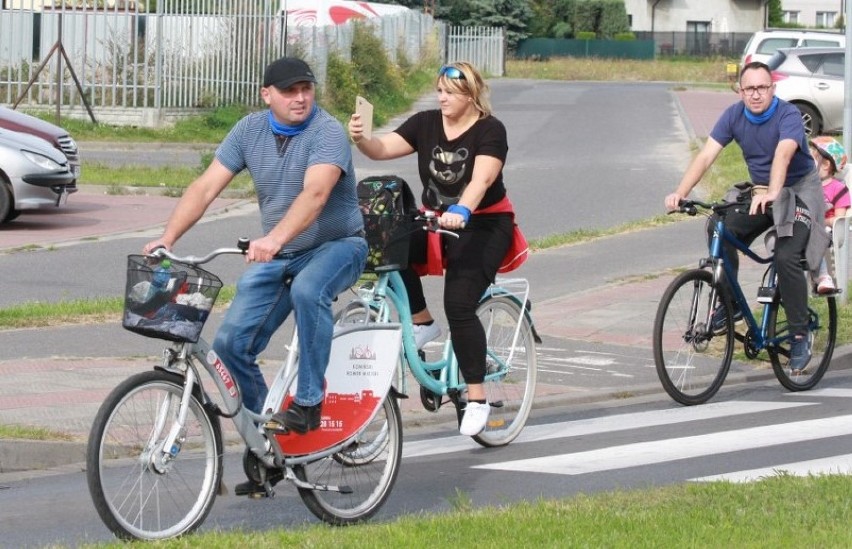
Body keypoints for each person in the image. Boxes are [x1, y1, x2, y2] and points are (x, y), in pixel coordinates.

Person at [143, 57, 367, 492]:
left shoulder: (327, 132)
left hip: (338, 246)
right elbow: (206, 187)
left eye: (307, 88)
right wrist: (167, 237)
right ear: (267, 95)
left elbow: (316, 195)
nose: (300, 97)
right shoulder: (249, 131)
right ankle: (271, 440)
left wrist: (275, 239)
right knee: (229, 345)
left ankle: (309, 402)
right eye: (289, 91)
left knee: (308, 290)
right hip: (280, 251)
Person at [348, 61, 515, 436]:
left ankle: (476, 398)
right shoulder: (425, 123)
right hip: (436, 219)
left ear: (471, 95)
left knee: (459, 303)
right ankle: (422, 322)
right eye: (439, 90)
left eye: (450, 92)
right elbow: (380, 148)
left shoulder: (490, 129)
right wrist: (361, 137)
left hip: (484, 222)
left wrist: (461, 209)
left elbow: (482, 178)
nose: (441, 98)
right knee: (386, 250)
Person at [664, 61, 829, 373]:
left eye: (762, 88)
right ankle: (732, 304)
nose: (756, 95)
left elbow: (783, 154)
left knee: (785, 255)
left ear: (772, 89)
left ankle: (798, 334)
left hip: (799, 193)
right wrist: (680, 192)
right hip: (763, 192)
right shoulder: (733, 116)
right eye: (749, 89)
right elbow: (706, 155)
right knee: (719, 226)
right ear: (740, 91)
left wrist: (773, 193)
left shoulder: (788, 115)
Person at [809, 136, 849, 294]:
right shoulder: (808, 185)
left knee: (814, 235)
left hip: (828, 231)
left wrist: (820, 220)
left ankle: (824, 277)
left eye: (811, 160)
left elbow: (838, 220)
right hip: (807, 224)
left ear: (825, 165)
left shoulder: (838, 189)